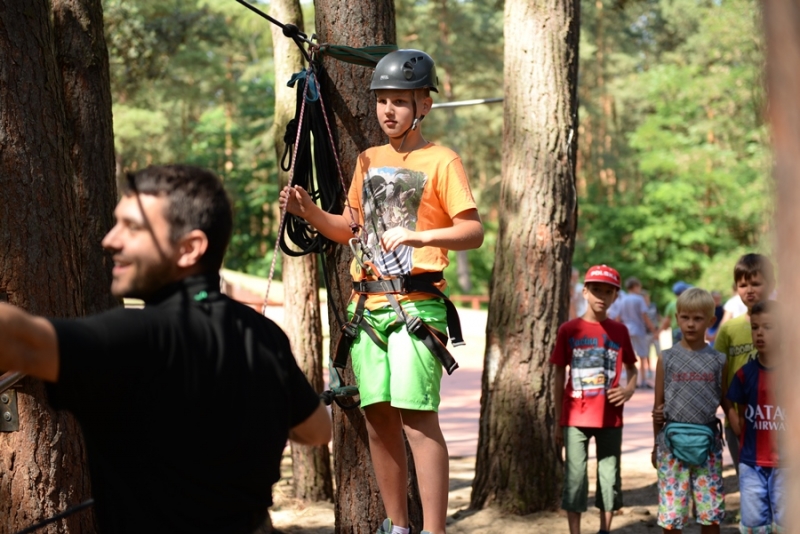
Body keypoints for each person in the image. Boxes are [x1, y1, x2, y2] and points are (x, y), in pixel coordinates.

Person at [0, 165, 331, 533]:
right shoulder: (265, 334)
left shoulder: (136, 337)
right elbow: (317, 431)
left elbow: (16, 341)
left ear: (189, 248)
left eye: (133, 227)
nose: (110, 240)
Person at [280, 49, 483, 534]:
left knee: (417, 417)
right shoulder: (368, 160)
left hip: (416, 306)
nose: (388, 110)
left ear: (424, 105)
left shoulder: (442, 161)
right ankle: (398, 527)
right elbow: (349, 228)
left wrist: (419, 236)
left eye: (400, 101)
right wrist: (309, 212)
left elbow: (472, 232)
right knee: (378, 420)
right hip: (368, 308)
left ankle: (433, 530)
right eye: (382, 100)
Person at [550, 264, 638, 534]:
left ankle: (604, 529)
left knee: (609, 476)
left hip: (610, 417)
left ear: (616, 296)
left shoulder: (619, 331)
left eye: (608, 292)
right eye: (596, 290)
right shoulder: (569, 330)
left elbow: (632, 368)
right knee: (575, 477)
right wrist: (558, 419)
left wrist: (628, 390)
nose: (602, 296)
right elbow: (558, 373)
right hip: (574, 417)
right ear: (585, 292)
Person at [651, 288, 729, 534]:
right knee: (672, 514)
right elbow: (658, 407)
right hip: (671, 447)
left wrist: (737, 425)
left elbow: (725, 400)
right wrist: (655, 446)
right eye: (685, 317)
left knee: (710, 513)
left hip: (708, 446)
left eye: (698, 318)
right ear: (677, 318)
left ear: (711, 321)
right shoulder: (666, 358)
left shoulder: (718, 360)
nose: (691, 324)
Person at [726, 300, 786, 534]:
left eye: (768, 327)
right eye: (755, 327)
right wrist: (734, 421)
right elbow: (737, 409)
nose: (759, 333)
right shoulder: (744, 373)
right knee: (754, 524)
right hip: (751, 463)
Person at [714, 253, 774, 474]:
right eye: (742, 285)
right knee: (747, 479)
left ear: (771, 284)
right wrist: (730, 413)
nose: (749, 290)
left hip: (777, 421)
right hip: (739, 422)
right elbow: (719, 376)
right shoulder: (729, 329)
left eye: (756, 283)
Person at [617, 277, 657, 388]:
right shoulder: (639, 299)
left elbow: (618, 317)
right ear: (635, 286)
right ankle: (643, 380)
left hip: (626, 330)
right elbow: (645, 316)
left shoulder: (623, 299)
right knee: (642, 355)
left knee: (628, 356)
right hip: (639, 330)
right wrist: (653, 330)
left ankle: (630, 381)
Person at [661, 281, 691, 345]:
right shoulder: (692, 303)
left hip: (676, 331)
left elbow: (666, 322)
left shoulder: (671, 305)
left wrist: (660, 331)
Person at [642, 289, 662, 368]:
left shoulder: (653, 305)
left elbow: (658, 316)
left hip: (655, 332)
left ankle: (660, 367)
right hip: (646, 332)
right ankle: (649, 369)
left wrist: (663, 323)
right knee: (647, 353)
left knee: (658, 351)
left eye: (646, 297)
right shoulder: (642, 308)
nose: (646, 299)